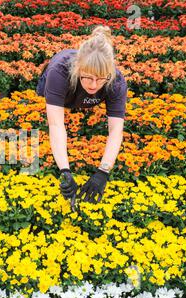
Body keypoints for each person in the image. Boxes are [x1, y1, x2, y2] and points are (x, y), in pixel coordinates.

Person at [36, 25, 128, 205]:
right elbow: (55, 125)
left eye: (101, 78)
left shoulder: (116, 82)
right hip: (62, 90)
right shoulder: (59, 71)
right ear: (78, 69)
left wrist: (103, 172)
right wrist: (65, 171)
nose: (93, 85)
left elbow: (116, 130)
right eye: (87, 77)